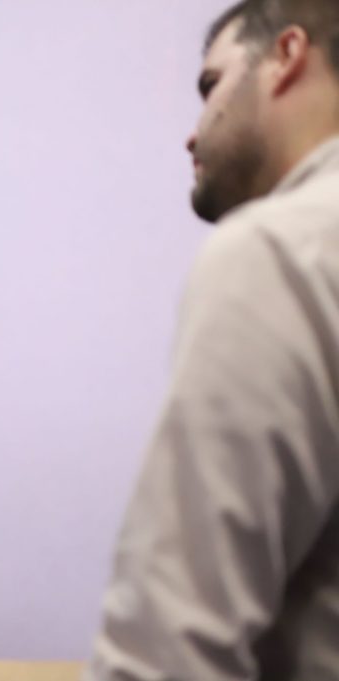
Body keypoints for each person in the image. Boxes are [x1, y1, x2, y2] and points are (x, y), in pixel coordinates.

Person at [87, 1, 339, 678]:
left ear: (287, 56)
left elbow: (169, 648)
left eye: (211, 85)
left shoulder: (281, 250)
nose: (193, 134)